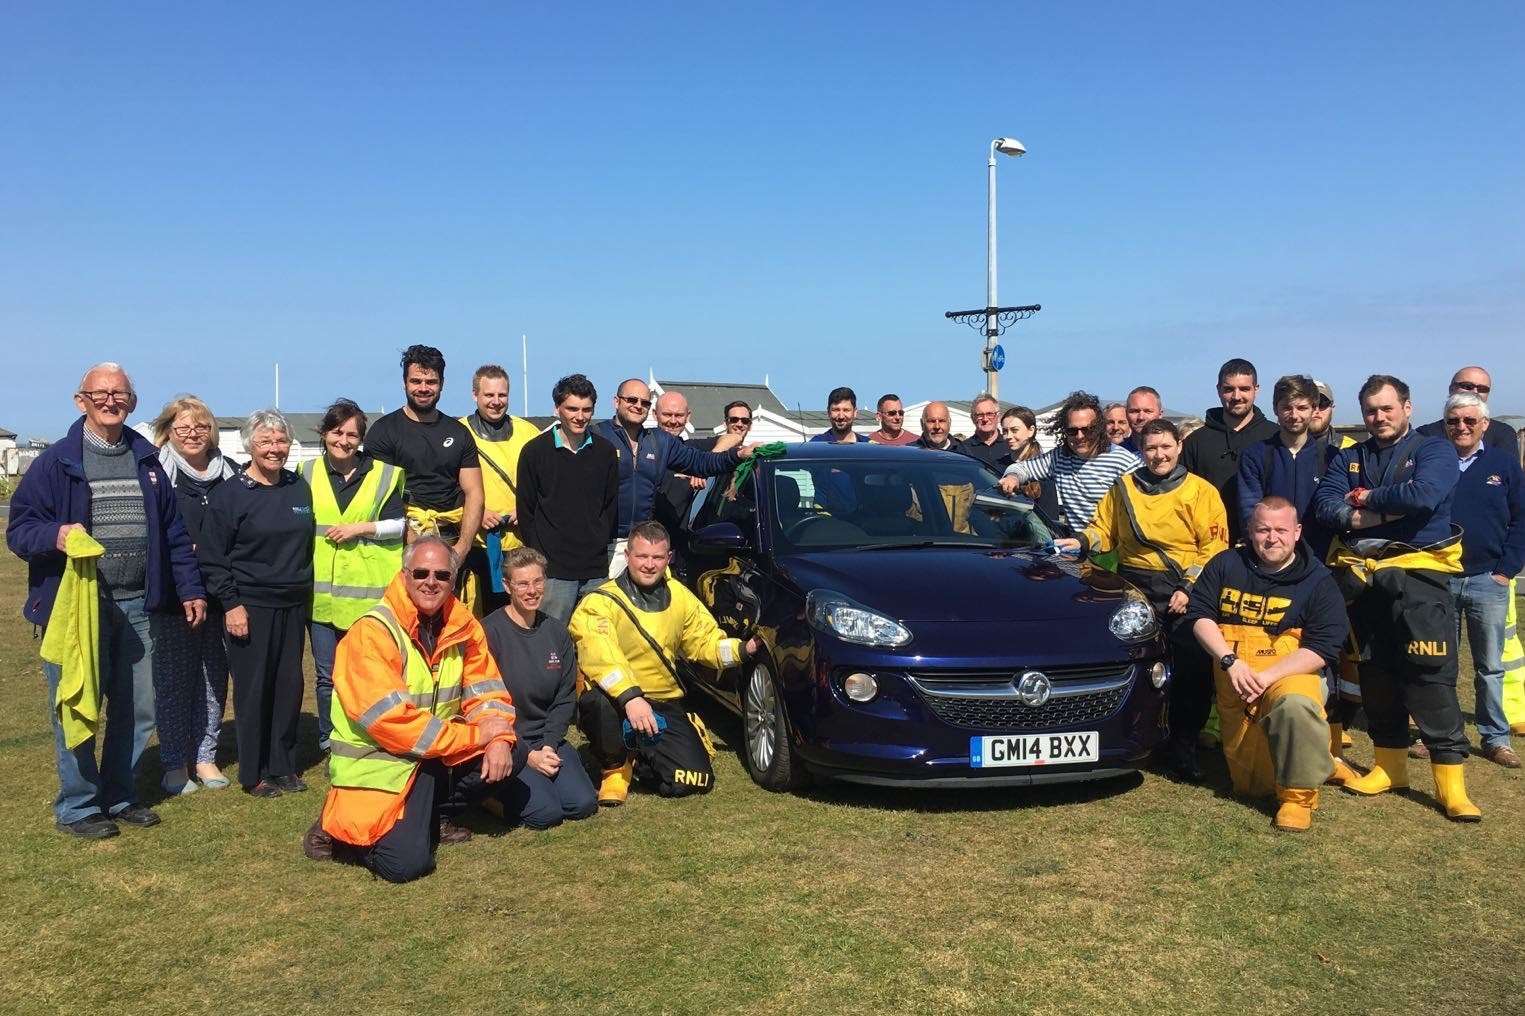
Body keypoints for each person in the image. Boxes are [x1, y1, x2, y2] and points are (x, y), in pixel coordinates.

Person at [7, 363, 206, 838]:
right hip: (77, 609)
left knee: (138, 709)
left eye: (120, 394)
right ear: (81, 401)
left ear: (132, 402)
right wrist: (55, 534)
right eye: (100, 393)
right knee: (78, 706)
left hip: (138, 603)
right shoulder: (56, 462)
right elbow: (19, 530)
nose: (110, 401)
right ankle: (78, 807)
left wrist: (191, 587)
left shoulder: (147, 459)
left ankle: (120, 796)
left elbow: (174, 534)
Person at [1311, 375, 1480, 821]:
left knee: (1430, 673)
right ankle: (1390, 768)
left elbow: (1425, 495)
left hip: (1420, 575)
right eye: (1370, 410)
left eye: (1387, 408)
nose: (1378, 417)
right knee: (1375, 674)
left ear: (1407, 407)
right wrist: (1375, 514)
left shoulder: (1434, 448)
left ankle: (1451, 784)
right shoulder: (1350, 456)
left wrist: (1368, 501)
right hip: (1363, 579)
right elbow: (1326, 507)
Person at [302, 536, 518, 882]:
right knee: (406, 865)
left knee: (510, 753)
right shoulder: (372, 633)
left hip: (431, 753)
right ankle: (337, 828)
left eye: (442, 576)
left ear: (454, 580)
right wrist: (477, 735)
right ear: (403, 576)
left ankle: (434, 818)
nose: (431, 582)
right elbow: (394, 724)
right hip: (380, 763)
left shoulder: (464, 626)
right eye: (421, 573)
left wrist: (499, 738)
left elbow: (488, 692)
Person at [1055, 418, 1228, 781]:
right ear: (1141, 451)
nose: (1159, 455)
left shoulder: (1201, 492)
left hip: (1184, 588)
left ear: (1179, 446)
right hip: (1134, 586)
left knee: (1191, 669)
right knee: (1133, 666)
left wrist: (1188, 587)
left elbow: (1214, 548)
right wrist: (1082, 542)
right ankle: (1128, 736)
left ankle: (1183, 746)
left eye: (1166, 446)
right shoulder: (1123, 488)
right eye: (1151, 448)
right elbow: (1104, 529)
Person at [1184, 497, 1349, 830]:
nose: (1271, 538)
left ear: (1297, 532)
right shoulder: (1226, 564)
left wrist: (1268, 675)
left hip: (1290, 674)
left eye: (1280, 530)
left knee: (1295, 707)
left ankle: (1298, 800)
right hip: (1236, 677)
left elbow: (1323, 648)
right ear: (1250, 530)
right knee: (1251, 786)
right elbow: (1199, 615)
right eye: (1263, 530)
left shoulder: (1318, 581)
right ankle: (1323, 761)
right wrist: (1230, 662)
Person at [570, 521, 758, 805]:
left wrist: (744, 649)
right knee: (596, 703)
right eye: (642, 556)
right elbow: (601, 654)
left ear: (668, 558)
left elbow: (704, 642)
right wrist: (631, 697)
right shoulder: (600, 602)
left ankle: (641, 754)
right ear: (628, 556)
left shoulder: (680, 596)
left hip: (663, 701)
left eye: (657, 557)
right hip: (617, 699)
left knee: (694, 780)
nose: (649, 564)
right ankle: (615, 765)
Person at [198, 410, 314, 798]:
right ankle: (254, 773)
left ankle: (282, 765)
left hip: (293, 605)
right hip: (250, 607)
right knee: (254, 689)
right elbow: (213, 557)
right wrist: (231, 604)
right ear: (249, 445)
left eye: (280, 441)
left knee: (289, 685)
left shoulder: (299, 488)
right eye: (265, 442)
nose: (274, 449)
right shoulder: (231, 495)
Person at [298, 399, 406, 754]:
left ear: (361, 439)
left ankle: (373, 732)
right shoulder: (306, 473)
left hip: (369, 597)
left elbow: (401, 526)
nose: (343, 440)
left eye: (352, 434)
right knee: (326, 677)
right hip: (322, 600)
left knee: (370, 673)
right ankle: (329, 739)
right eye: (337, 432)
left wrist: (362, 528)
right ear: (324, 433)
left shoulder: (385, 474)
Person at [150, 394, 240, 794]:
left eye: (200, 426)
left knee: (212, 676)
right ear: (168, 431)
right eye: (183, 427)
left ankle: (205, 756)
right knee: (173, 679)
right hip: (172, 594)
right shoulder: (155, 474)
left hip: (220, 592)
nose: (192, 434)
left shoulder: (231, 474)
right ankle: (173, 762)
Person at [481, 547, 598, 828]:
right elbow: (484, 704)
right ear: (507, 585)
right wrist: (527, 754)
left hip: (547, 737)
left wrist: (548, 744)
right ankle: (488, 796)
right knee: (546, 815)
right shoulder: (489, 632)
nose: (532, 590)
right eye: (522, 583)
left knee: (582, 804)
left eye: (537, 581)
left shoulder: (556, 632)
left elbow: (564, 697)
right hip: (508, 741)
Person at [1440, 392, 1524, 767]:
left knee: (1489, 666)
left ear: (1484, 425)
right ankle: (1443, 734)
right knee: (1440, 665)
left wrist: (1506, 570)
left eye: (1470, 421)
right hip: (1440, 577)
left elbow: (1522, 519)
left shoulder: (1503, 465)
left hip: (1487, 580)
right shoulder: (1434, 462)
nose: (1461, 427)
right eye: (1454, 421)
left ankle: (1495, 737)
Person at [362, 345, 484, 601]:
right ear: (404, 383)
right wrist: (415, 545)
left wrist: (461, 549)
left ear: (442, 384)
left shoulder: (459, 433)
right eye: (416, 381)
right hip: (402, 538)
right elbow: (381, 496)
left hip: (450, 536)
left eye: (431, 381)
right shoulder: (384, 432)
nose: (423, 388)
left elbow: (474, 493)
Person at [593, 378, 748, 577]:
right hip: (605, 545)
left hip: (648, 546)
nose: (638, 406)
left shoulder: (661, 443)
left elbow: (705, 461)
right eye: (632, 400)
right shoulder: (597, 437)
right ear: (616, 401)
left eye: (644, 402)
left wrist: (738, 455)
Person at [517, 374, 619, 623]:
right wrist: (541, 557)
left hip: (594, 568)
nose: (580, 416)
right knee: (551, 639)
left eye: (587, 410)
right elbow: (526, 509)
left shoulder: (605, 452)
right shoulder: (534, 452)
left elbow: (610, 505)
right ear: (557, 409)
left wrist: (599, 543)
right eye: (572, 409)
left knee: (594, 640)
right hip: (553, 571)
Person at [459, 364, 541, 614]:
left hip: (521, 542)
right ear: (475, 395)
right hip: (478, 545)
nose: (496, 401)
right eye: (489, 395)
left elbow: (545, 481)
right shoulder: (459, 432)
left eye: (502, 395)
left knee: (520, 614)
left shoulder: (528, 432)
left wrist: (525, 509)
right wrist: (475, 512)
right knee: (478, 616)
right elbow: (445, 486)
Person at [998, 391, 1141, 532]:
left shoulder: (1123, 461)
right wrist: (1013, 477)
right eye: (1072, 431)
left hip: (1116, 548)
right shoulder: (1060, 457)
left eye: (1087, 430)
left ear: (1099, 429)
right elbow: (1022, 468)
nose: (1080, 436)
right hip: (1078, 547)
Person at [1236, 375, 1344, 560]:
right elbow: (1250, 512)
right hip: (1270, 556)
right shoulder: (1254, 456)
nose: (1294, 415)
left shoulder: (1333, 457)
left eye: (1302, 408)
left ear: (1314, 409)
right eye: (1286, 408)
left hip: (1320, 558)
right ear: (1275, 410)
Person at [1181, 358, 1279, 543]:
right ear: (1218, 390)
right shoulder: (1195, 441)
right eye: (1229, 389)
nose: (1236, 396)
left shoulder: (1275, 437)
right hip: (1206, 542)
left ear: (1256, 389)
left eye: (1244, 389)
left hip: (1263, 542)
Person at [1417, 365, 1518, 459]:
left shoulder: (1503, 434)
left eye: (1482, 389)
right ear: (1451, 389)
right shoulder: (1426, 435)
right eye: (1467, 386)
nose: (1475, 392)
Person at [958, 395, 1012, 469]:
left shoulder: (1010, 445)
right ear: (973, 418)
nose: (985, 419)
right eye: (980, 415)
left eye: (990, 414)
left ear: (998, 417)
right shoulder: (963, 449)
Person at [1308, 379, 1355, 448]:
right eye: (1310, 404)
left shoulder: (1351, 448)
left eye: (1323, 403)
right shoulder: (1287, 449)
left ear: (1332, 409)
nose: (1316, 410)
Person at [1123, 386, 1164, 454]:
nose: (1141, 417)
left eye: (1148, 411)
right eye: (1135, 411)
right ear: (1126, 414)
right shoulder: (1116, 454)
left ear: (1160, 414)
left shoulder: (1175, 453)